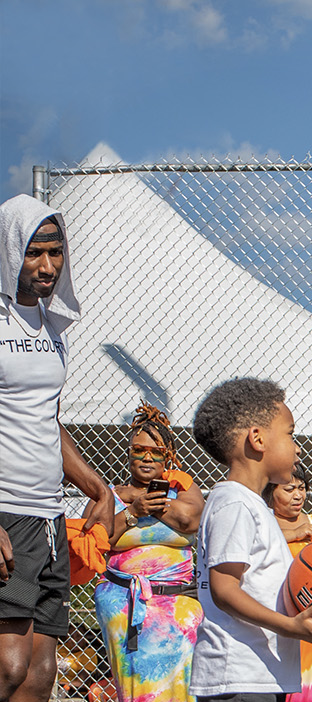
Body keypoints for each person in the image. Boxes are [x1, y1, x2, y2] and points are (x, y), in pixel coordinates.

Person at [0, 193, 116, 702]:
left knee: (40, 672)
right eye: (33, 252)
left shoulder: (53, 328)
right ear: (8, 250)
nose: (47, 265)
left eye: (55, 252)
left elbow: (49, 419)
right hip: (8, 520)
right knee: (8, 664)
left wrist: (96, 484)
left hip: (47, 525)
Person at [189, 377, 312, 701]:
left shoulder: (253, 506)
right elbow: (224, 590)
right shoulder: (235, 503)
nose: (297, 446)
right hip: (237, 676)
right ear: (258, 439)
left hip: (262, 675)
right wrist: (290, 626)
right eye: (291, 434)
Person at [93, 402, 205, 702]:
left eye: (155, 452)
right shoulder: (110, 495)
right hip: (123, 604)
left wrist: (143, 498)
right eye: (138, 450)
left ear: (168, 457)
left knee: (181, 689)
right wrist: (131, 511)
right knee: (134, 689)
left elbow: (189, 520)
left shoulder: (184, 489)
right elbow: (99, 538)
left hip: (177, 604)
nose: (146, 457)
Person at [264, 467, 312, 702]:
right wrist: (294, 534)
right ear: (271, 492)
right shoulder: (264, 522)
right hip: (277, 615)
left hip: (311, 616)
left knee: (304, 687)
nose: (298, 495)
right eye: (289, 489)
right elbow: (257, 545)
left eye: (302, 489)